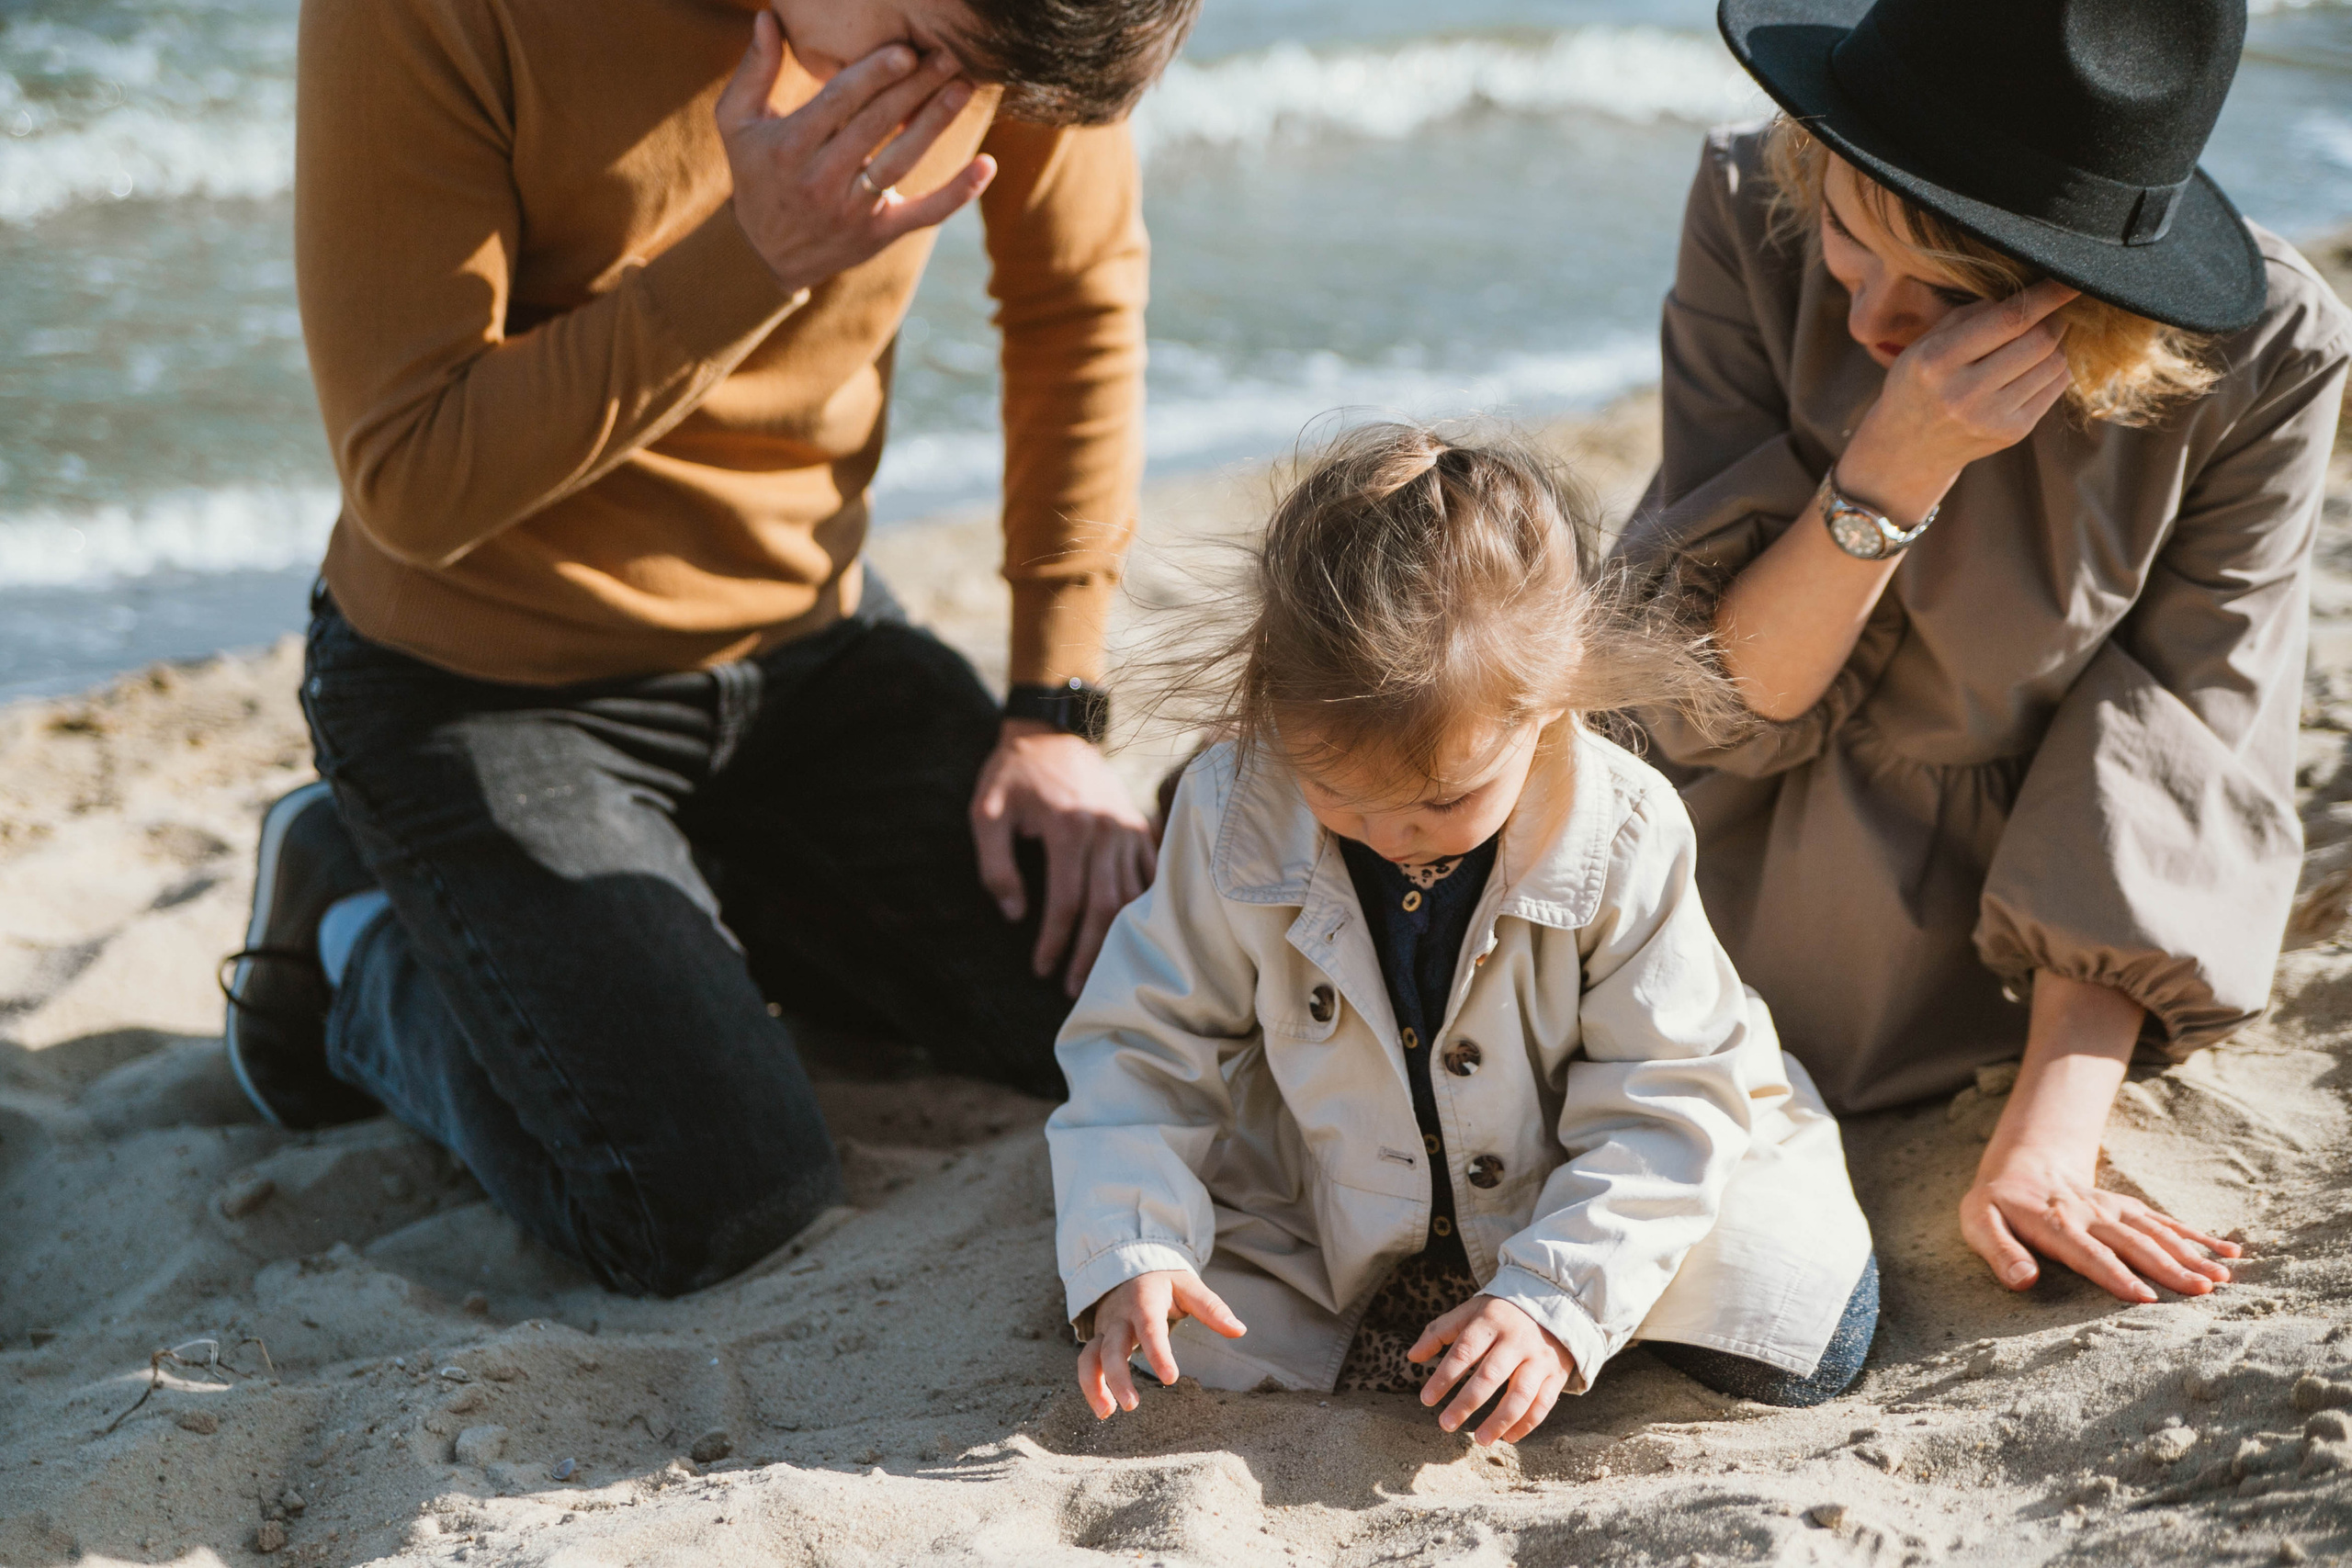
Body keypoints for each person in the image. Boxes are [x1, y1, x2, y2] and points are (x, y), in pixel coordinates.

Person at [219, 0, 1199, 1298]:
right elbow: (412, 475)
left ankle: (695, 905)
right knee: (710, 1195)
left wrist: (1052, 710)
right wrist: (757, 251)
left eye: (983, 77)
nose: (948, 93)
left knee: (1145, 1024)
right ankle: (346, 919)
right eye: (931, 42)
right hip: (484, 682)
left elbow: (1074, 306)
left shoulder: (1006, 14)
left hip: (813, 652)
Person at [1617, 0, 2351, 1306]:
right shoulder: (1752, 199)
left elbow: (2179, 729)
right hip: (1684, 851)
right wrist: (1891, 471)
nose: (1871, 325)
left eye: (1951, 295)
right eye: (1854, 234)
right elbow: (1715, 701)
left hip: (1996, 938)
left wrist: (2046, 1138)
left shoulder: (2270, 356)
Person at [1047, 425, 1879, 1440]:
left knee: (1796, 1342)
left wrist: (1553, 1303)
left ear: (1554, 692)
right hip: (1334, 1200)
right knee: (1149, 1312)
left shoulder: (1624, 824)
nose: (1393, 836)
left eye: (1443, 800)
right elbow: (1141, 1049)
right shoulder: (1231, 809)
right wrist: (1139, 1247)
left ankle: (1527, 1302)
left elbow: (1665, 1094)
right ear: (1271, 706)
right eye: (1340, 795)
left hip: (1599, 1164)